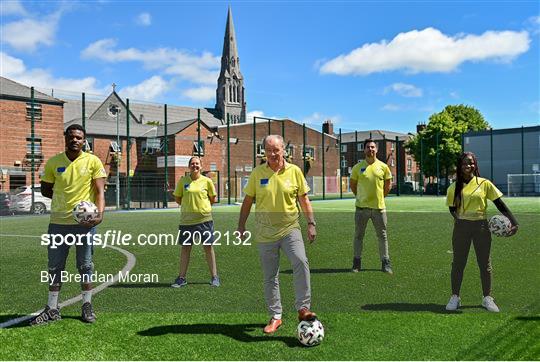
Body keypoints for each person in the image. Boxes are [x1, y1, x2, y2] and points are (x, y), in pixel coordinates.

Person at [237, 135, 317, 335]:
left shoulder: (295, 171)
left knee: (300, 261)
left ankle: (303, 308)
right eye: (269, 150)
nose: (272, 154)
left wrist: (311, 223)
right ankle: (276, 316)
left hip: (290, 228)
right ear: (264, 151)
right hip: (265, 234)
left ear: (284, 150)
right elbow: (247, 202)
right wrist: (241, 226)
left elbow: (304, 200)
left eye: (276, 150)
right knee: (270, 276)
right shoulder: (257, 173)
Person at [31, 124, 106, 325]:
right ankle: (52, 308)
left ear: (84, 140)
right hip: (58, 223)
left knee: (86, 265)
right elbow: (46, 189)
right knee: (55, 266)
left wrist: (99, 216)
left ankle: (87, 306)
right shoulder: (54, 162)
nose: (75, 140)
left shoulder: (93, 161)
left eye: (79, 137)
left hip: (85, 224)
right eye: (71, 137)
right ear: (65, 138)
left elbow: (100, 192)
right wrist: (63, 199)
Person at [445, 152, 518, 312]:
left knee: (485, 264)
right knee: (458, 263)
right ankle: (455, 297)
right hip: (461, 228)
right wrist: (460, 219)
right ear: (460, 166)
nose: (468, 166)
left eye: (470, 163)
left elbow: (499, 203)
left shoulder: (484, 184)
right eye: (464, 163)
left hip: (481, 228)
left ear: (475, 165)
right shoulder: (453, 187)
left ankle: (487, 298)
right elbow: (452, 208)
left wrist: (513, 221)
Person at [171, 156, 220, 287]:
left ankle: (214, 277)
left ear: (201, 166)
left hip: (205, 220)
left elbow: (212, 199)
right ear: (189, 166)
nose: (195, 166)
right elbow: (178, 198)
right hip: (187, 221)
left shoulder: (207, 181)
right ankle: (181, 278)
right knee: (185, 249)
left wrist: (202, 209)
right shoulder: (183, 181)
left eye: (197, 164)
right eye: (192, 164)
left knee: (208, 248)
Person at [349, 139, 393, 274]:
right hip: (361, 209)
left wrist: (380, 197)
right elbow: (353, 185)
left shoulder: (384, 167)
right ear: (364, 150)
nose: (370, 149)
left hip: (379, 209)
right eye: (368, 147)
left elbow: (388, 185)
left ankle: (385, 263)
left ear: (377, 150)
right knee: (358, 236)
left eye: (373, 147)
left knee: (382, 236)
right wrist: (361, 197)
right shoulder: (357, 167)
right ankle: (356, 263)